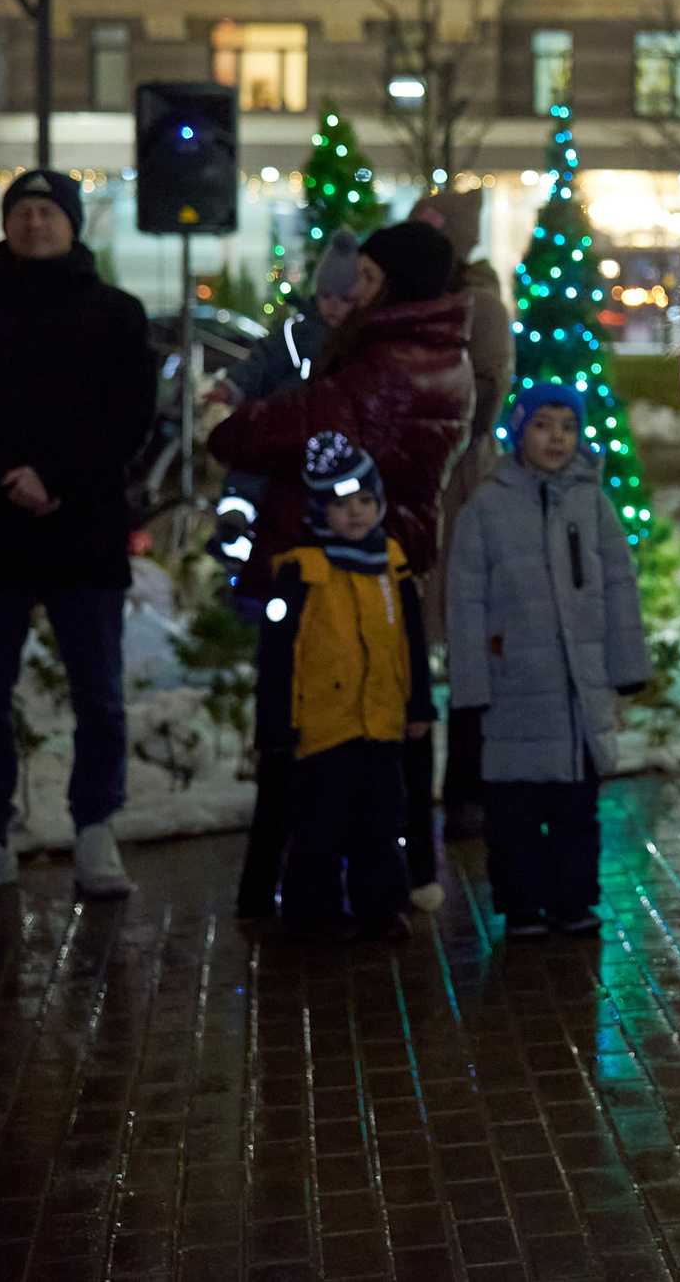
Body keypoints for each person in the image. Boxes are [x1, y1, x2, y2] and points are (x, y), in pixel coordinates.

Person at [210, 219, 474, 917]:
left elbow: (267, 429)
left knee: (318, 728)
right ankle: (401, 875)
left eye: (365, 276)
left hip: (344, 563)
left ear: (391, 282)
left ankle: (308, 895)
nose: (352, 288)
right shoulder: (436, 349)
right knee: (389, 728)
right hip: (386, 556)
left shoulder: (385, 365)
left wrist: (230, 420)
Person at [0, 170, 158, 901]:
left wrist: (53, 476)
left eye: (48, 211)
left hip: (81, 529)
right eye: (22, 210)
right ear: (6, 222)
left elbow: (130, 420)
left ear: (73, 223)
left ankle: (95, 828)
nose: (34, 223)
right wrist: (10, 476)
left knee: (99, 694)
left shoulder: (117, 314)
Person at [446, 383, 651, 939]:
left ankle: (571, 899)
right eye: (543, 424)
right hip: (516, 686)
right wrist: (470, 684)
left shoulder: (592, 501)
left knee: (575, 810)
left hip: (577, 691)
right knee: (514, 812)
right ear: (519, 430)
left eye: (567, 425)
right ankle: (521, 905)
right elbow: (465, 600)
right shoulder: (486, 506)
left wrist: (626, 665)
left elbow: (617, 585)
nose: (556, 436)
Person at [255, 433, 432, 941]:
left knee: (380, 824)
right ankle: (313, 912)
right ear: (318, 511)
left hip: (380, 721)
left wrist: (417, 702)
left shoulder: (391, 566)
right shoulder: (301, 572)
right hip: (322, 727)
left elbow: (409, 642)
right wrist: (277, 723)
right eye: (340, 504)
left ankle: (382, 907)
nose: (356, 513)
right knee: (319, 827)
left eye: (365, 501)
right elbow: (278, 655)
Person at [406, 188, 517, 839]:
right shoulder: (404, 295)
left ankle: (468, 786)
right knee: (415, 636)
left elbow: (487, 393)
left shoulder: (478, 303)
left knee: (470, 636)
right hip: (417, 486)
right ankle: (420, 787)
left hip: (460, 486)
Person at [208, 230, 362, 596]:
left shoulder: (360, 341)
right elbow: (262, 361)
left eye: (343, 298)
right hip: (286, 420)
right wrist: (231, 386)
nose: (332, 307)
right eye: (325, 296)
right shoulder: (298, 334)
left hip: (323, 434)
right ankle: (237, 516)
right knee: (253, 456)